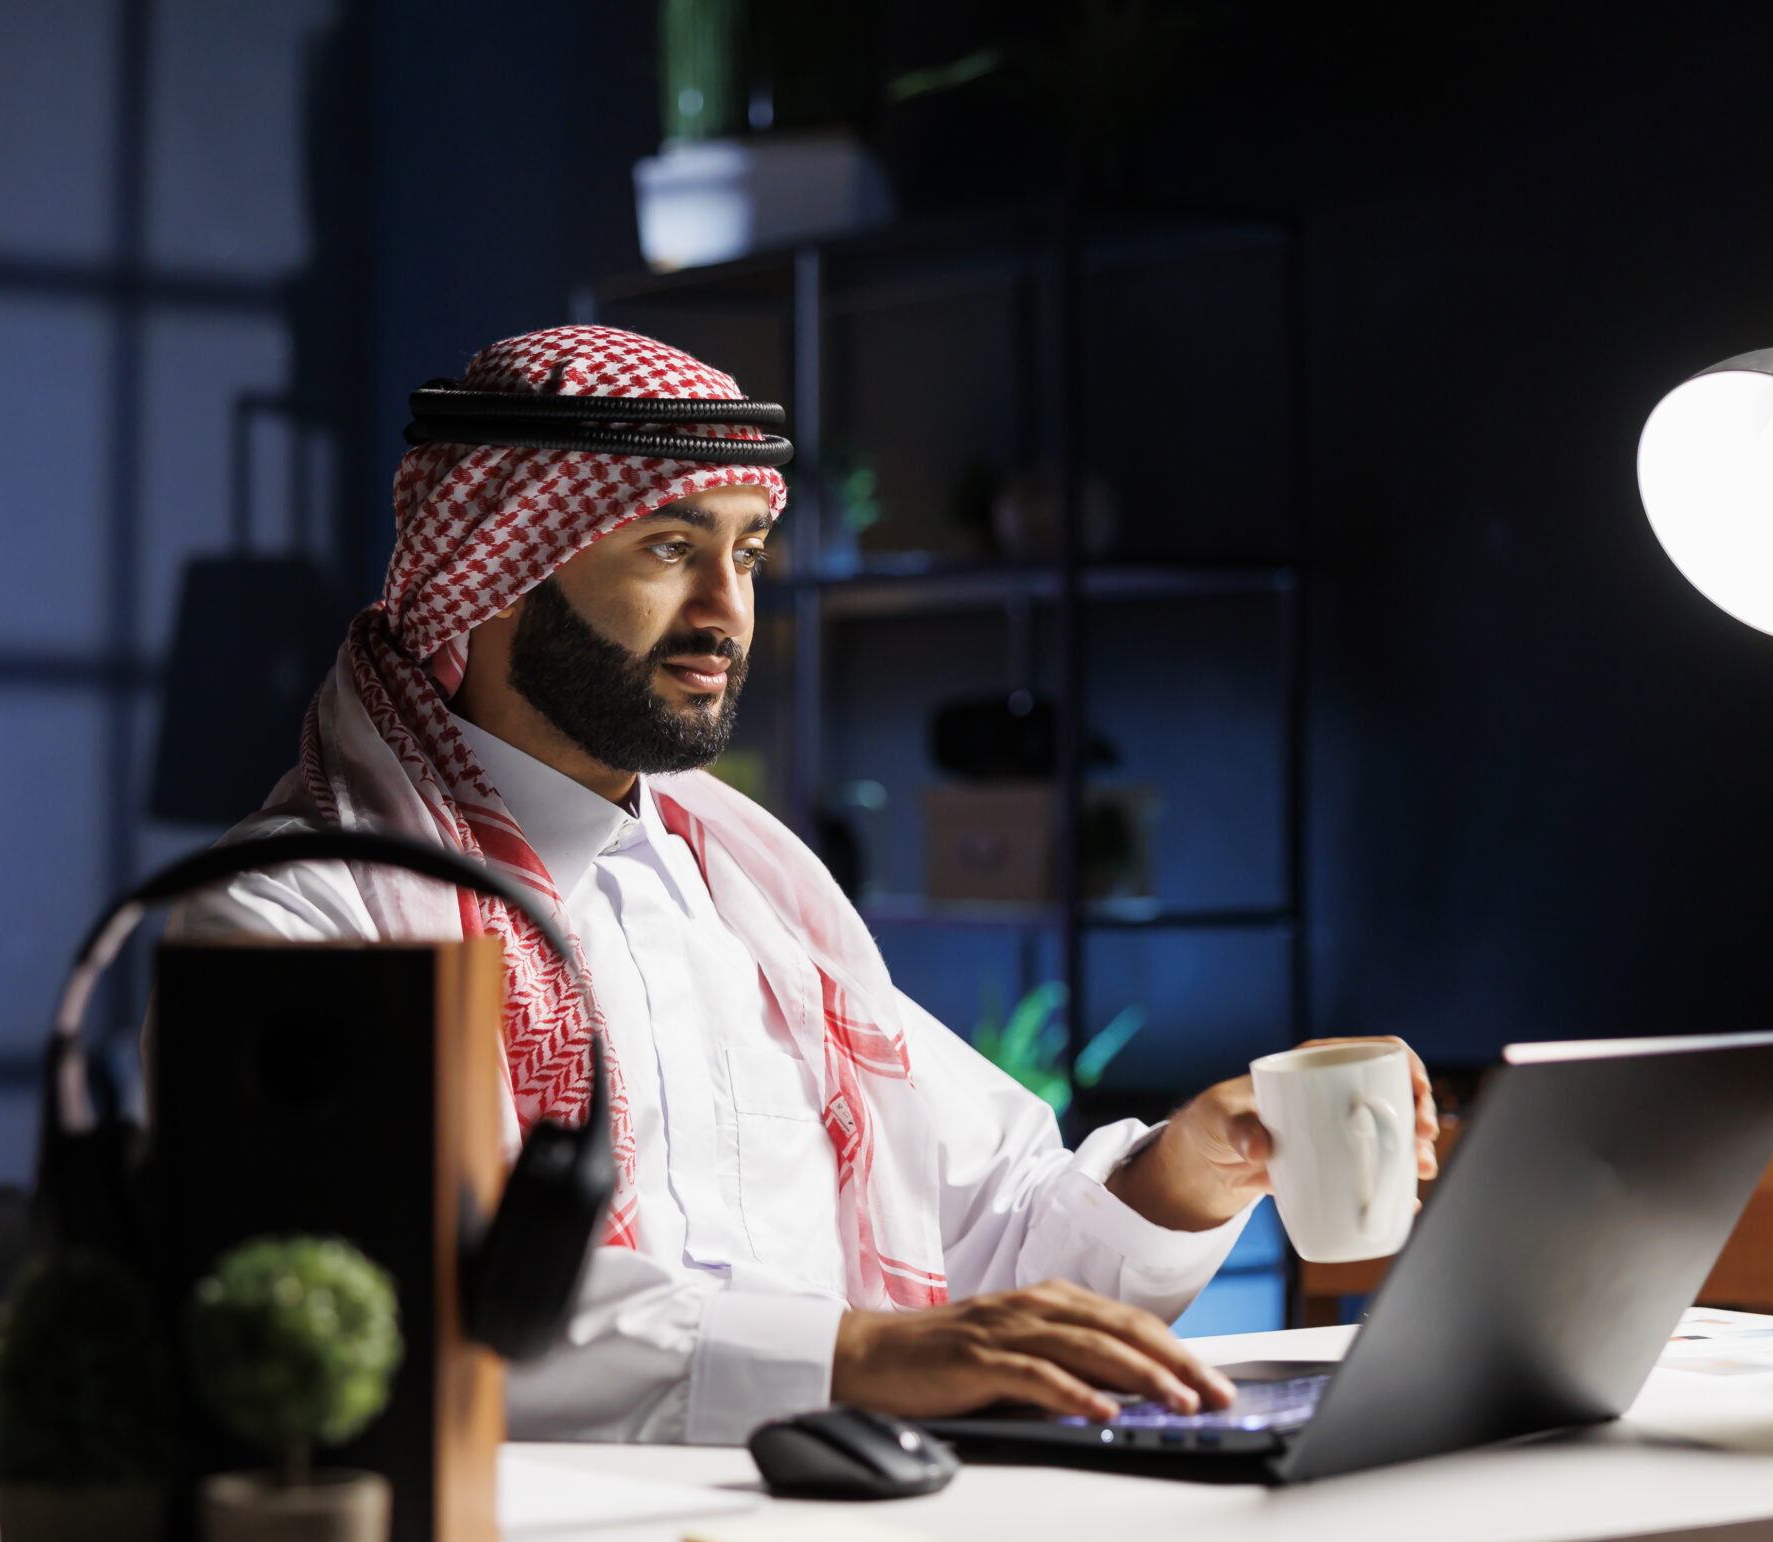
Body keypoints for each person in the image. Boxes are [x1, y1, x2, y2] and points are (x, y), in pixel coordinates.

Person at [179, 325, 1438, 1443]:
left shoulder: (749, 897)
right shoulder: (301, 913)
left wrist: (1185, 1174)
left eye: (748, 553)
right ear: (502, 570)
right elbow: (402, 1303)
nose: (728, 611)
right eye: (671, 548)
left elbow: (994, 1237)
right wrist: (859, 1359)